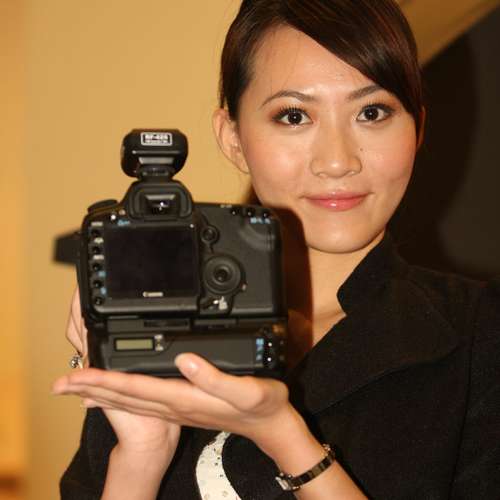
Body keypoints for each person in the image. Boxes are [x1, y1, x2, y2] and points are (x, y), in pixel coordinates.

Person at [52, 0, 500, 498]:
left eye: (371, 113)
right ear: (233, 139)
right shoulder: (159, 320)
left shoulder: (479, 335)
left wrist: (282, 434)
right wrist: (140, 455)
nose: (337, 161)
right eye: (294, 116)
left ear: (418, 128)